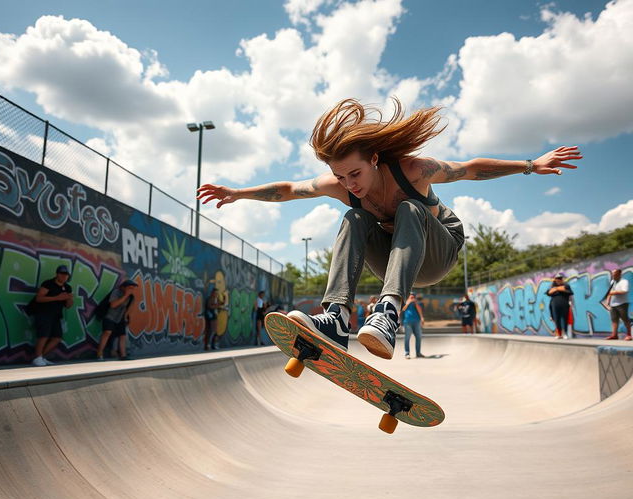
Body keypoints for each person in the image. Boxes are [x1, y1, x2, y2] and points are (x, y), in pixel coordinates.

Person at [197, 97, 582, 359]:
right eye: (340, 176)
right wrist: (238, 193)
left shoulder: (412, 170)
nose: (349, 183)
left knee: (410, 209)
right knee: (354, 216)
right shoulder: (343, 188)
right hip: (395, 256)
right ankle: (335, 319)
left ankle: (388, 313)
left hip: (438, 250)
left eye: (355, 173)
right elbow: (289, 190)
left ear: (375, 159)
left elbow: (469, 169)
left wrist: (531, 165)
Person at [31, 264, 73, 366]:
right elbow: (39, 298)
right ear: (57, 274)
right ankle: (37, 358)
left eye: (66, 275)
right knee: (43, 336)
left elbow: (68, 306)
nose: (64, 276)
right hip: (43, 313)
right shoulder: (48, 283)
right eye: (62, 274)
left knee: (57, 337)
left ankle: (41, 357)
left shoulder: (67, 287)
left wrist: (69, 298)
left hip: (56, 316)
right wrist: (57, 297)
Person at [96, 279, 138, 360]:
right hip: (109, 316)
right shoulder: (116, 292)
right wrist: (125, 296)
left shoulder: (131, 297)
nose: (131, 290)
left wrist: (126, 317)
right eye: (130, 287)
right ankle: (99, 353)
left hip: (120, 318)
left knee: (122, 335)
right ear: (124, 287)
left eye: (133, 288)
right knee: (107, 332)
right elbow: (113, 305)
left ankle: (123, 355)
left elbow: (129, 308)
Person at [604, 268, 631, 341]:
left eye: (614, 274)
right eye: (612, 274)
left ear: (619, 274)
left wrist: (613, 293)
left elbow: (625, 291)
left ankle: (629, 335)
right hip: (613, 304)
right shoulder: (613, 281)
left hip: (622, 303)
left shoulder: (624, 281)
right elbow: (610, 291)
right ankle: (614, 335)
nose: (613, 275)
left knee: (625, 319)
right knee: (614, 320)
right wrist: (608, 301)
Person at [546, 273, 574, 339]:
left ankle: (565, 334)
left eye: (560, 278)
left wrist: (556, 289)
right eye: (557, 279)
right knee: (556, 319)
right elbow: (549, 292)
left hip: (564, 304)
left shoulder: (566, 285)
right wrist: (558, 288)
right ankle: (559, 334)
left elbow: (569, 291)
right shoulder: (552, 286)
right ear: (555, 280)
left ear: (562, 279)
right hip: (554, 305)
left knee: (564, 319)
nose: (559, 280)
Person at [401, 292, 425, 358]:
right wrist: (408, 302)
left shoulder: (418, 303)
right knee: (407, 338)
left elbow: (420, 310)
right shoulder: (405, 303)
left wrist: (422, 318)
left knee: (419, 337)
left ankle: (418, 353)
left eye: (413, 297)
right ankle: (407, 353)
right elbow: (402, 309)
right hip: (407, 322)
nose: (412, 298)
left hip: (417, 322)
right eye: (410, 296)